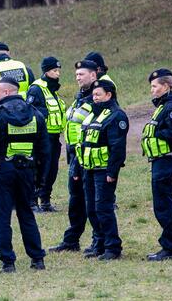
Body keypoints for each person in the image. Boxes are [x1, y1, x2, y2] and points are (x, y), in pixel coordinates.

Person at [0, 76, 49, 273]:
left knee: (2, 218)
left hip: (1, 172)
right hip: (27, 172)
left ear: (7, 92)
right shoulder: (35, 115)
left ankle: (8, 262)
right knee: (26, 214)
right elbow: (45, 151)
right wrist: (41, 179)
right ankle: (37, 259)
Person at [49, 60, 99, 253]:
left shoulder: (96, 97)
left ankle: (98, 240)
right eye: (77, 75)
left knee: (90, 199)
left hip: (86, 156)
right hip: (74, 156)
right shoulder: (81, 97)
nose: (78, 78)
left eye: (82, 74)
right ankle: (72, 240)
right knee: (75, 199)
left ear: (93, 75)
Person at [75, 79, 127, 261]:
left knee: (103, 208)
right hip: (88, 169)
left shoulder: (116, 116)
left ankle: (112, 247)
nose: (94, 98)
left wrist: (112, 173)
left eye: (98, 95)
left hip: (103, 171)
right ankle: (99, 244)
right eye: (93, 95)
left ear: (109, 95)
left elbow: (117, 148)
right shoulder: (93, 114)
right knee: (91, 209)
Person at [143, 69, 172, 261]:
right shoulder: (163, 105)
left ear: (166, 86)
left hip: (166, 160)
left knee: (164, 206)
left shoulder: (170, 107)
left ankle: (169, 249)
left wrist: (157, 134)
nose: (152, 90)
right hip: (159, 160)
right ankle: (168, 247)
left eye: (155, 86)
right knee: (160, 205)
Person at [27, 56, 66, 212]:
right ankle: (33, 202)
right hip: (42, 138)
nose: (57, 74)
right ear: (46, 71)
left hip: (55, 137)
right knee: (39, 169)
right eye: (54, 71)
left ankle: (46, 201)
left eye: (58, 70)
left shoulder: (53, 90)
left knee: (52, 170)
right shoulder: (37, 88)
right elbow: (30, 111)